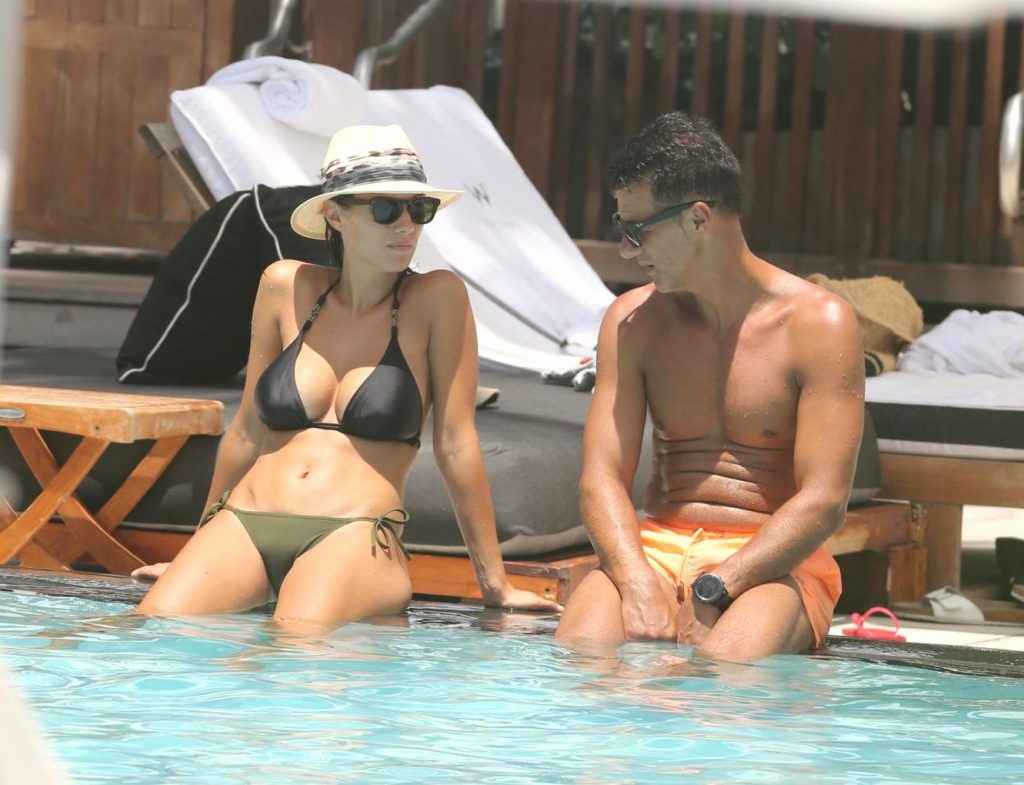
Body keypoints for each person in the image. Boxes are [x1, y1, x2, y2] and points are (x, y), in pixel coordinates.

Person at [137, 125, 559, 632]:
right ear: (335, 215)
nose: (407, 225)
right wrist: (193, 549)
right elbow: (247, 429)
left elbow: (455, 442)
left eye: (418, 209)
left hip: (354, 530)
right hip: (246, 519)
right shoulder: (284, 284)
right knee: (153, 630)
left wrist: (495, 583)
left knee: (298, 642)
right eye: (385, 209)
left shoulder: (436, 298)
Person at [554, 113, 864, 661]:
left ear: (698, 218)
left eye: (637, 230)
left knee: (725, 673)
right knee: (581, 656)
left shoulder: (819, 324)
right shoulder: (633, 321)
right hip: (653, 550)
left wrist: (717, 587)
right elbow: (601, 477)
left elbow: (824, 500)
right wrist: (636, 580)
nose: (627, 250)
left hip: (772, 563)